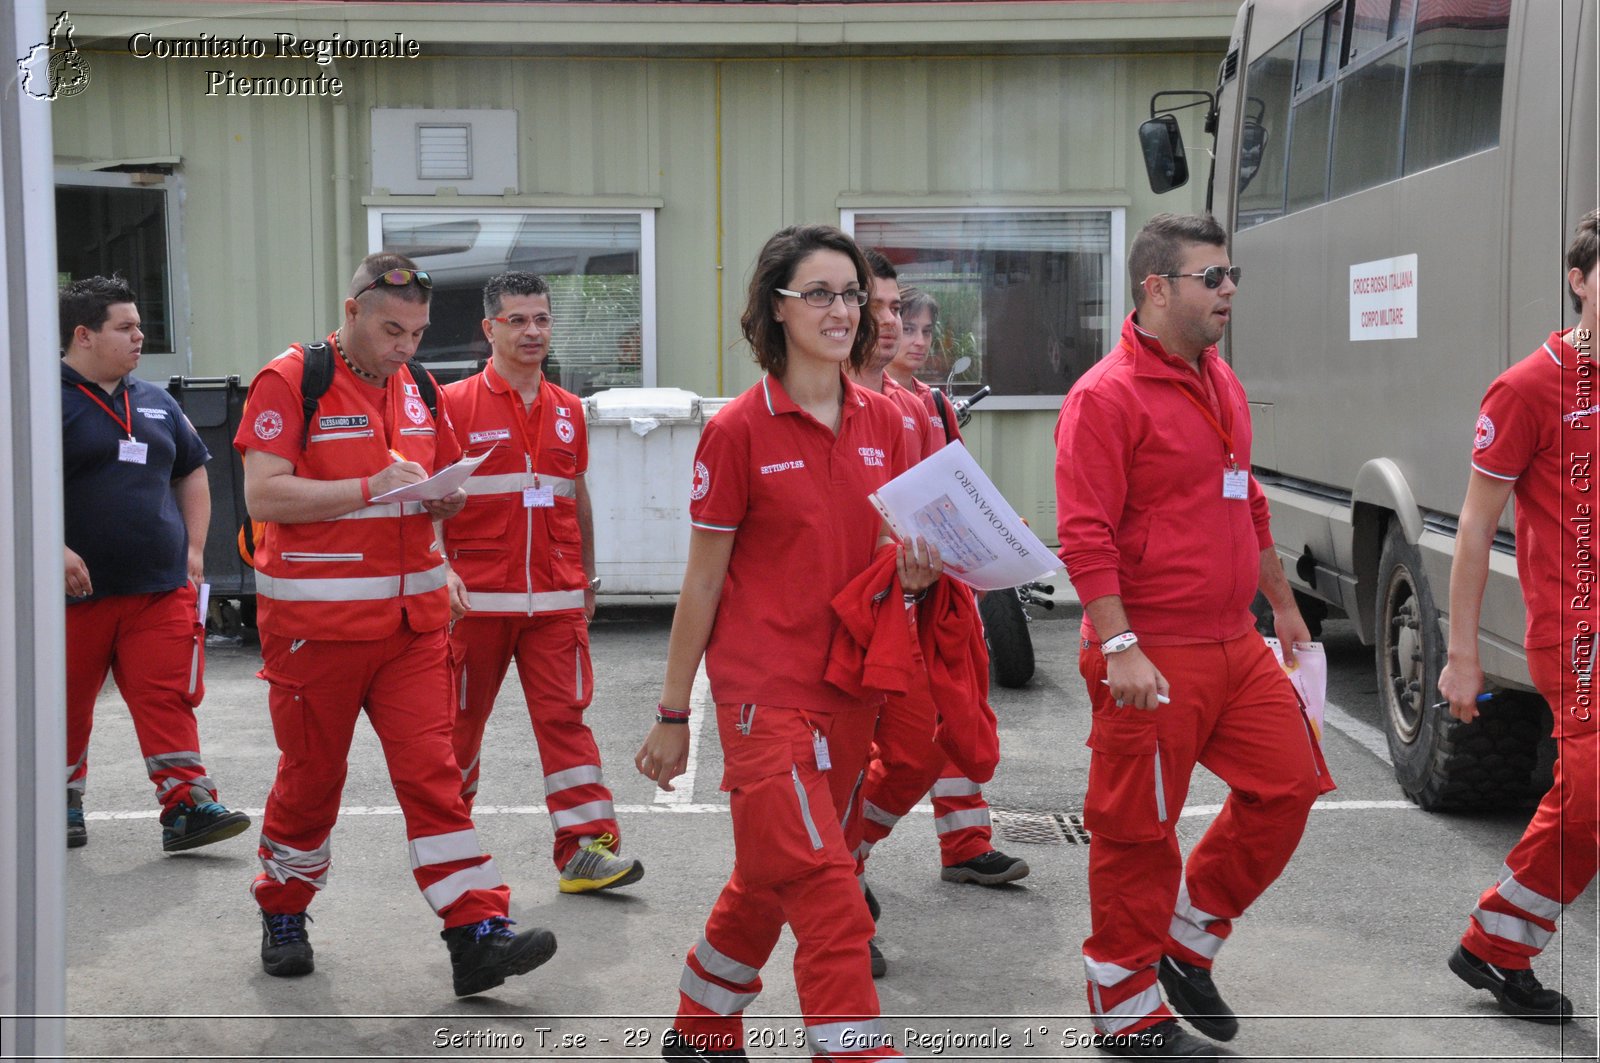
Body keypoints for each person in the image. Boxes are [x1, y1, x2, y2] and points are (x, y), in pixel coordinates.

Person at [635, 224, 937, 1062]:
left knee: (775, 870)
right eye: (821, 294)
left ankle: (700, 1027)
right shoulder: (737, 431)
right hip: (764, 698)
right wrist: (671, 712)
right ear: (777, 307)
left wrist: (912, 575)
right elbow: (701, 583)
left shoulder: (892, 421)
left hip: (852, 692)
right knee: (828, 886)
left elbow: (887, 562)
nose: (843, 311)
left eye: (853, 294)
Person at [236, 253, 556, 995]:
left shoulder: (418, 387)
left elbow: (436, 478)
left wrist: (444, 509)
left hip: (412, 630)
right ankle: (284, 907)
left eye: (415, 332)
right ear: (350, 313)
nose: (406, 346)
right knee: (312, 782)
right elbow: (263, 496)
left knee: (435, 780)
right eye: (391, 330)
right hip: (318, 632)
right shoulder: (291, 379)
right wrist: (367, 487)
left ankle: (477, 931)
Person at [1055, 213, 1331, 1058]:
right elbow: (1085, 534)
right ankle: (1124, 1003)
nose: (1230, 290)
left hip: (1232, 638)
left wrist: (1282, 606)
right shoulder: (1104, 397)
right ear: (1157, 287)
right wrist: (1118, 644)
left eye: (1231, 274)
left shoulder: (1221, 382)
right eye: (1212, 277)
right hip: (1152, 643)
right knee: (1138, 830)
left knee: (1289, 784)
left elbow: (1245, 500)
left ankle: (1186, 939)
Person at [1436, 209, 1600, 1025]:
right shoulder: (1530, 385)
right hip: (1577, 634)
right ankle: (1499, 943)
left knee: (1587, 799)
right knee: (1592, 795)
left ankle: (1494, 943)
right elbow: (1473, 528)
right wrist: (1462, 653)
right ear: (1579, 280)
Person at [846, 256, 1025, 980]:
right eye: (884, 309)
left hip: (915, 604)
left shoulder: (908, 409)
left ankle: (849, 857)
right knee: (841, 765)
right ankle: (836, 900)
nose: (897, 327)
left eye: (905, 313)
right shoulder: (791, 414)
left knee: (927, 742)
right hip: (839, 625)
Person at [442, 271, 642, 894]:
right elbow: (428, 502)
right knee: (456, 726)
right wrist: (438, 571)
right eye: (518, 320)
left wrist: (587, 573)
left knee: (567, 722)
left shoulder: (568, 410)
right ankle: (448, 845)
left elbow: (574, 496)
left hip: (556, 600)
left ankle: (586, 849)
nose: (532, 332)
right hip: (474, 603)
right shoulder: (451, 406)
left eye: (542, 320)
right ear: (490, 329)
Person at [59, 275, 251, 853]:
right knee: (61, 703)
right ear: (84, 335)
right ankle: (57, 802)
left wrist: (194, 548)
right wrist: (53, 550)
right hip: (68, 596)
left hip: (159, 589)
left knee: (168, 697)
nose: (141, 336)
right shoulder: (35, 401)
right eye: (126, 327)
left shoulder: (155, 400)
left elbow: (191, 470)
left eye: (141, 325)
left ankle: (187, 805)